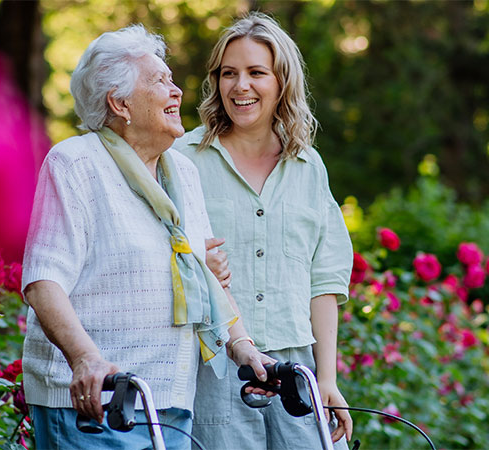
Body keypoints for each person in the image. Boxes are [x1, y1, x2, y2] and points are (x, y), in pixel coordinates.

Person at [20, 24, 273, 450]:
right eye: (160, 81)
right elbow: (43, 281)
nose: (177, 92)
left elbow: (204, 278)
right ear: (120, 103)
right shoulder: (76, 164)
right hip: (94, 404)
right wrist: (86, 358)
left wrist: (244, 347)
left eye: (172, 80)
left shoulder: (182, 173)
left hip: (168, 403)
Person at [174, 12, 354, 449]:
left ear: (282, 82)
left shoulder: (309, 167)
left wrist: (326, 379)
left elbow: (324, 280)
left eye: (257, 72)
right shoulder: (182, 160)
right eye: (229, 73)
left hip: (296, 370)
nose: (241, 86)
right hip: (215, 366)